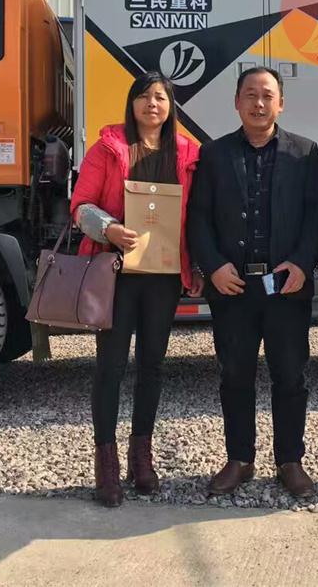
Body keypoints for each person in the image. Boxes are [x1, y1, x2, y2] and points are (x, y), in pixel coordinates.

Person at [187, 66, 318, 499]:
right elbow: (198, 218)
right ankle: (239, 459)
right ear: (236, 102)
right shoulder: (214, 154)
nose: (258, 103)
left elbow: (315, 216)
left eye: (267, 95)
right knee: (235, 375)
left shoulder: (305, 153)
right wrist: (213, 266)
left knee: (291, 375)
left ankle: (290, 461)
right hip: (233, 289)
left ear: (281, 103)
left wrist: (302, 263)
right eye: (250, 95)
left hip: (286, 287)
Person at [70, 71, 203, 507]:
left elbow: (198, 213)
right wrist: (109, 228)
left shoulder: (188, 153)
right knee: (110, 366)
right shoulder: (109, 147)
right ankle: (106, 462)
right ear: (132, 104)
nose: (152, 104)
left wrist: (196, 264)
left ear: (171, 106)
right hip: (116, 273)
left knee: (152, 366)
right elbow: (80, 206)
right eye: (144, 96)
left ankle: (141, 456)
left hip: (163, 277)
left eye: (160, 97)